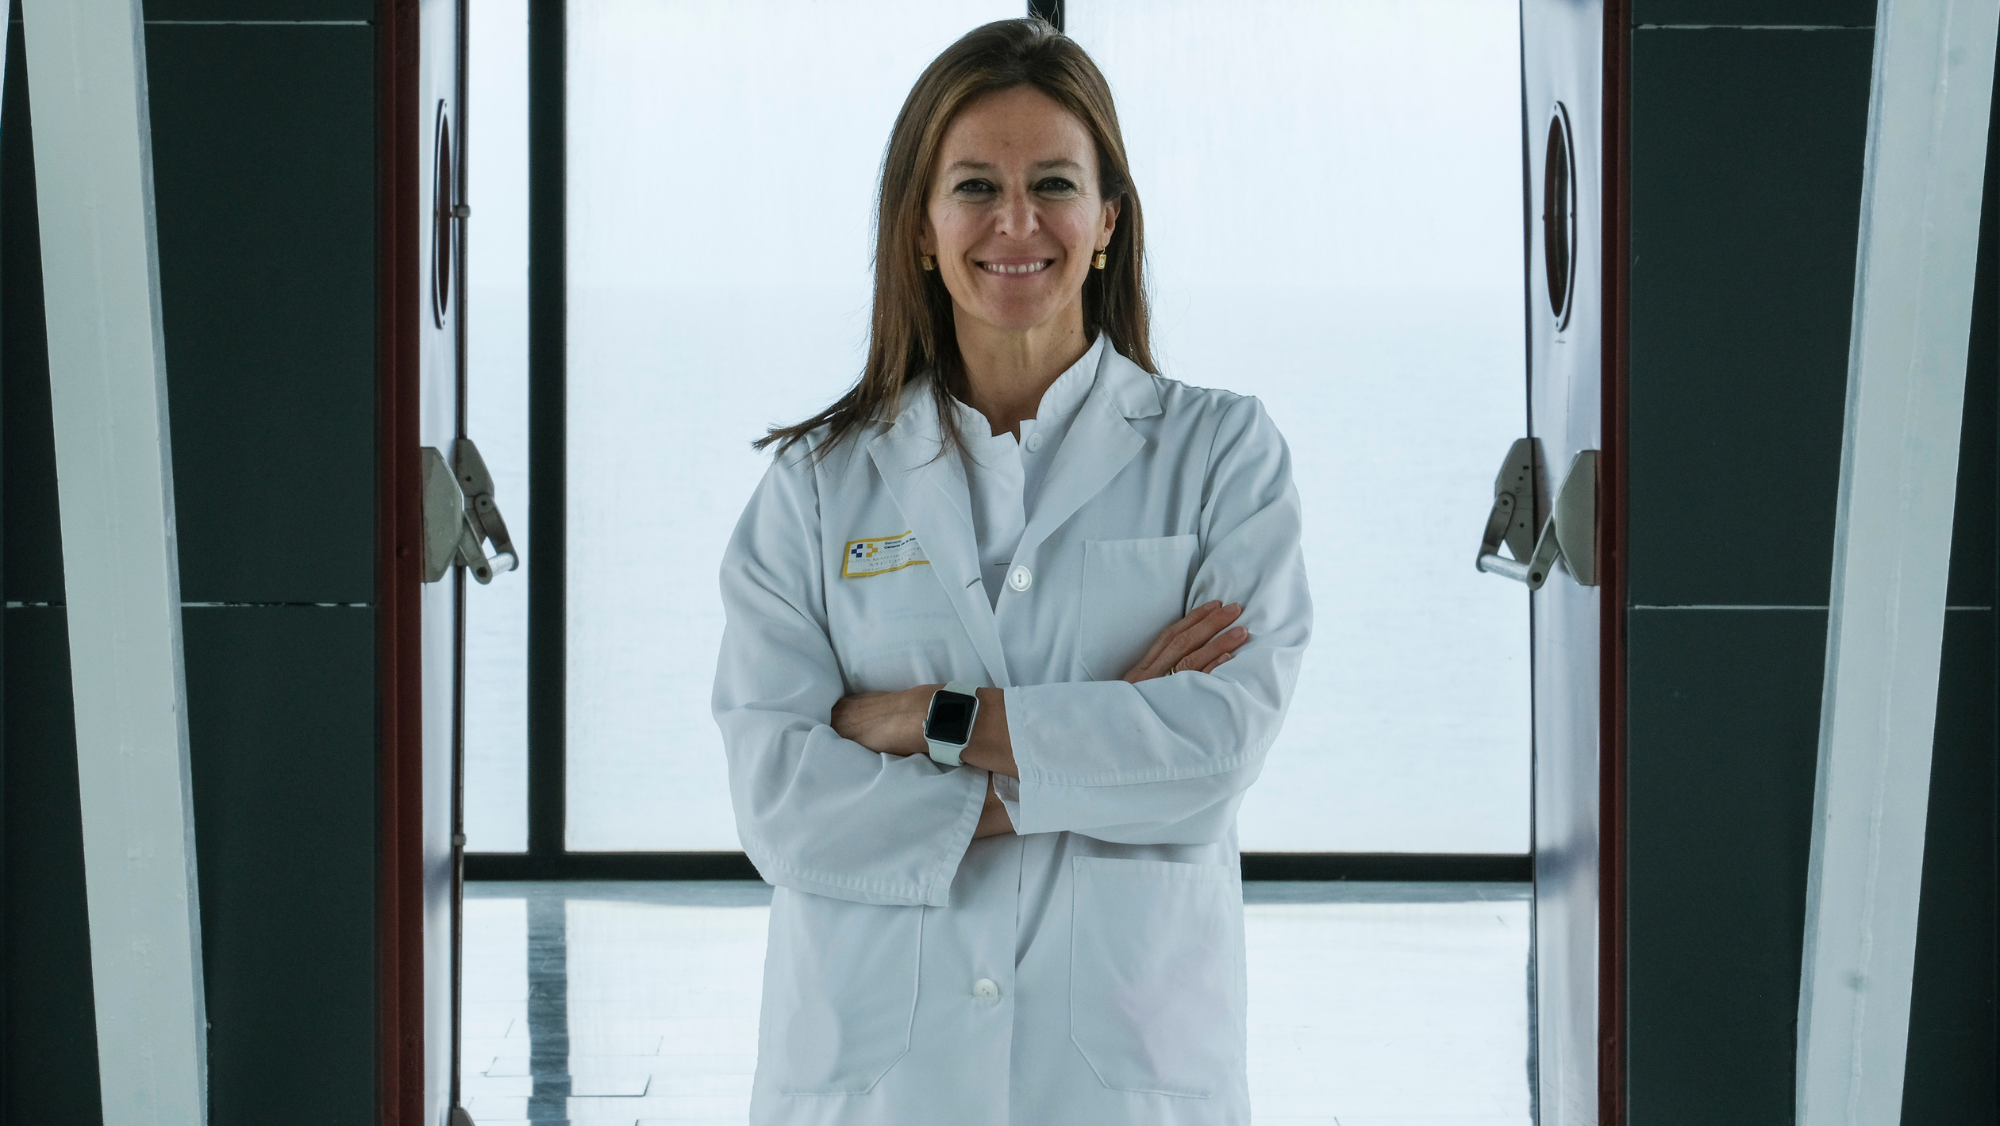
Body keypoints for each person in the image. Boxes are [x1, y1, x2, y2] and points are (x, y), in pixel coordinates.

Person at [712, 18, 1310, 1126]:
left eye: (1053, 184)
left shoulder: (1220, 453)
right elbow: (783, 807)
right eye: (975, 186)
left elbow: (1213, 753)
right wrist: (1097, 740)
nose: (1016, 222)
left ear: (1107, 224)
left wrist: (929, 722)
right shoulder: (815, 486)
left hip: (1120, 1078)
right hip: (880, 1082)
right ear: (921, 233)